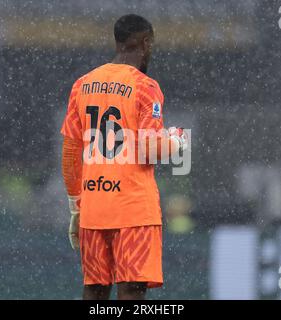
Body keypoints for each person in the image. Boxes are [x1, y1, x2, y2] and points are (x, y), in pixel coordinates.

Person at [60, 14, 187, 300]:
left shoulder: (83, 84)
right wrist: (178, 139)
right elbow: (149, 149)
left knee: (94, 289)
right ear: (146, 42)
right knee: (131, 288)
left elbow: (70, 153)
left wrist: (76, 207)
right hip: (133, 211)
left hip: (94, 209)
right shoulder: (145, 86)